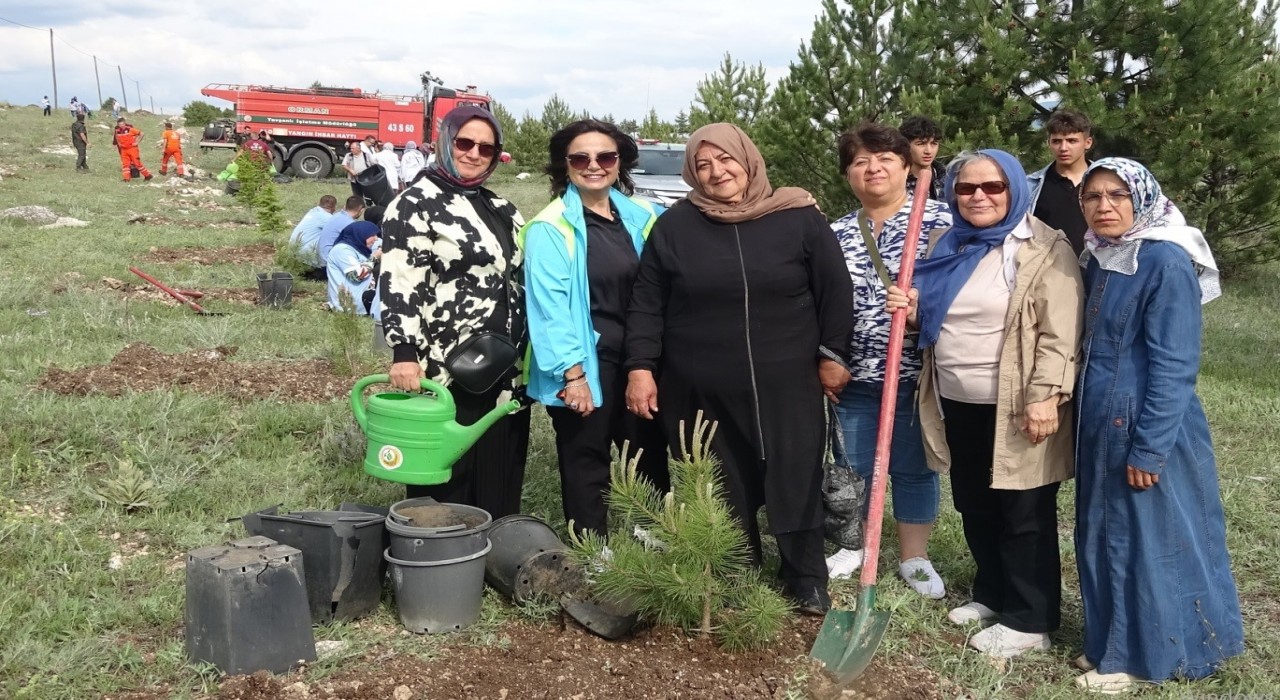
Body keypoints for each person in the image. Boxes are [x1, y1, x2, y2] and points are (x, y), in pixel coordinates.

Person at [624, 123, 853, 614]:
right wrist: (640, 367)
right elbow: (647, 303)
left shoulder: (798, 217)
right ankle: (734, 572)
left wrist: (834, 356)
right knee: (722, 478)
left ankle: (806, 576)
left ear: (747, 159)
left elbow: (835, 290)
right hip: (700, 383)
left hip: (787, 380)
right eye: (703, 165)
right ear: (692, 173)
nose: (716, 172)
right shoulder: (676, 227)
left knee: (794, 475)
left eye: (725, 159)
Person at [890, 149, 1083, 658]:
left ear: (1014, 189)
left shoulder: (1044, 248)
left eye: (992, 187)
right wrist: (910, 310)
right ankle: (993, 594)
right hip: (956, 397)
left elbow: (1060, 334)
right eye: (966, 188)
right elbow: (937, 320)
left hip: (1019, 403)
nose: (978, 197)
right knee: (974, 502)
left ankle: (1030, 620)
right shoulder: (946, 242)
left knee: (1023, 511)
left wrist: (1045, 397)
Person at [1071, 158, 1242, 693]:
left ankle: (1143, 657)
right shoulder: (1102, 256)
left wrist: (1149, 448)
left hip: (1145, 425)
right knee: (1102, 533)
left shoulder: (1166, 261)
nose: (1104, 206)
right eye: (1093, 196)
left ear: (1142, 199)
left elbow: (1175, 365)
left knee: (1143, 538)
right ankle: (1109, 644)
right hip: (1100, 423)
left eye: (1118, 195)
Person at [380, 105, 530, 518]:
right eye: (465, 142)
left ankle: (495, 553)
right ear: (446, 142)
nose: (474, 153)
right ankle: (443, 558)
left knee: (501, 463)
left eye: (487, 147)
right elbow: (398, 280)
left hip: (503, 364)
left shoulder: (501, 206)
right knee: (449, 469)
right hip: (447, 365)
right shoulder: (416, 203)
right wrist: (404, 354)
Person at [523, 119, 669, 539]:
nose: (593, 165)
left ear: (619, 162)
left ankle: (651, 540)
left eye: (604, 156)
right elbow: (549, 310)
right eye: (580, 158)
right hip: (586, 360)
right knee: (586, 457)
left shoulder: (643, 214)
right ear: (564, 165)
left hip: (640, 357)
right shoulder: (551, 227)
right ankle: (594, 552)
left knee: (649, 452)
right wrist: (573, 376)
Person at [825, 123, 953, 597]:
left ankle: (914, 558)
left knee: (913, 466)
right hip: (856, 373)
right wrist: (829, 357)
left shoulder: (943, 223)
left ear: (906, 165)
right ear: (848, 175)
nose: (872, 168)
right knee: (852, 463)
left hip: (917, 374)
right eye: (860, 162)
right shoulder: (836, 233)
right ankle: (855, 544)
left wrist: (923, 311)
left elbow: (962, 290)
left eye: (884, 158)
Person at [1028, 110, 1094, 255]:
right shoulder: (1031, 186)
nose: (1063, 148)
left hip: (1097, 268)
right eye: (1057, 141)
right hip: (1047, 270)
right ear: (1049, 143)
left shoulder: (1104, 182)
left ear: (1087, 143)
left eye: (1072, 141)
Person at [326, 220, 382, 315]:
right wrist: (374, 257)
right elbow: (356, 276)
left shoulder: (358, 248)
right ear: (361, 235)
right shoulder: (342, 250)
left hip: (363, 297)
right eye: (373, 235)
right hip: (351, 305)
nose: (376, 238)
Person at [899, 116, 946, 201]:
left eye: (934, 143)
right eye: (921, 144)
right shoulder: (896, 181)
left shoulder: (948, 178)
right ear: (905, 145)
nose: (928, 151)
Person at [289, 195, 338, 275]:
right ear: (334, 208)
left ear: (319, 203)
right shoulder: (327, 217)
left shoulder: (312, 212)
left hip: (294, 257)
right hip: (306, 261)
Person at [318, 196, 365, 265]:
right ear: (361, 210)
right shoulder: (349, 224)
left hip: (322, 257)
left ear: (345, 206)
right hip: (329, 262)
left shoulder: (337, 215)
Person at [113, 118, 152, 182]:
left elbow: (142, 133)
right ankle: (126, 179)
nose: (121, 126)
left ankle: (148, 175)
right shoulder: (117, 131)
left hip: (132, 149)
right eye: (120, 124)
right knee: (125, 164)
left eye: (122, 124)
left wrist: (137, 142)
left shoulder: (130, 129)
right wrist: (119, 143)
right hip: (124, 150)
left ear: (125, 123)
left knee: (137, 164)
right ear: (118, 125)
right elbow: (116, 137)